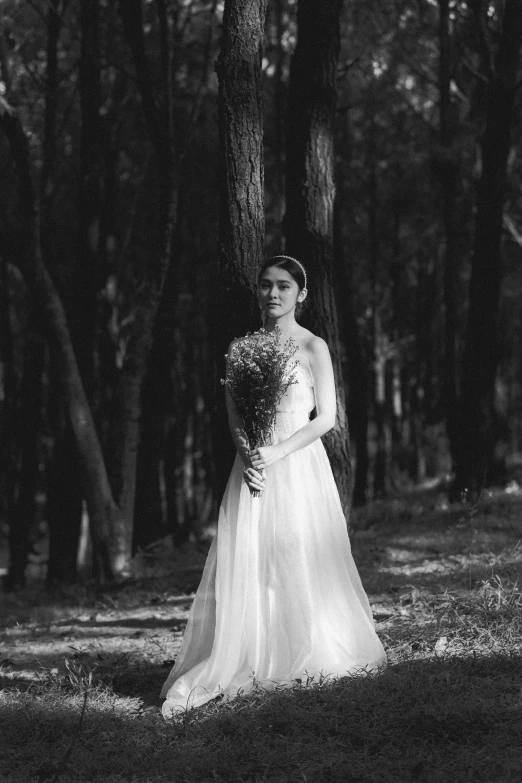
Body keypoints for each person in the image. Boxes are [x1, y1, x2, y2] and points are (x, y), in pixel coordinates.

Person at [160, 255, 386, 716]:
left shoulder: (312, 346)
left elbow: (326, 417)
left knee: (296, 552)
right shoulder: (242, 347)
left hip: (298, 463)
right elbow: (233, 413)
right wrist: (248, 454)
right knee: (252, 558)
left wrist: (279, 452)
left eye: (284, 286)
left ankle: (299, 647)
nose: (273, 293)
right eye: (265, 285)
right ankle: (252, 652)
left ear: (301, 294)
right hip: (252, 468)